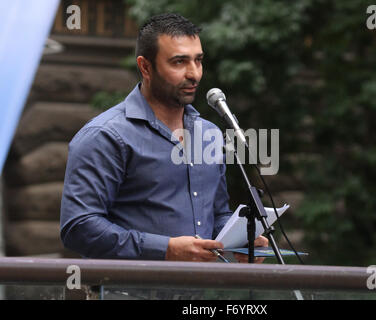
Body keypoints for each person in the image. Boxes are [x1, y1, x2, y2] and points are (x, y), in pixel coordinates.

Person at [60, 13, 267, 262]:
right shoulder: (105, 136)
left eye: (198, 61)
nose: (194, 74)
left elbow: (217, 216)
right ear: (145, 67)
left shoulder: (209, 133)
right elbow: (79, 227)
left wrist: (242, 242)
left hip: (198, 293)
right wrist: (164, 249)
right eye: (179, 62)